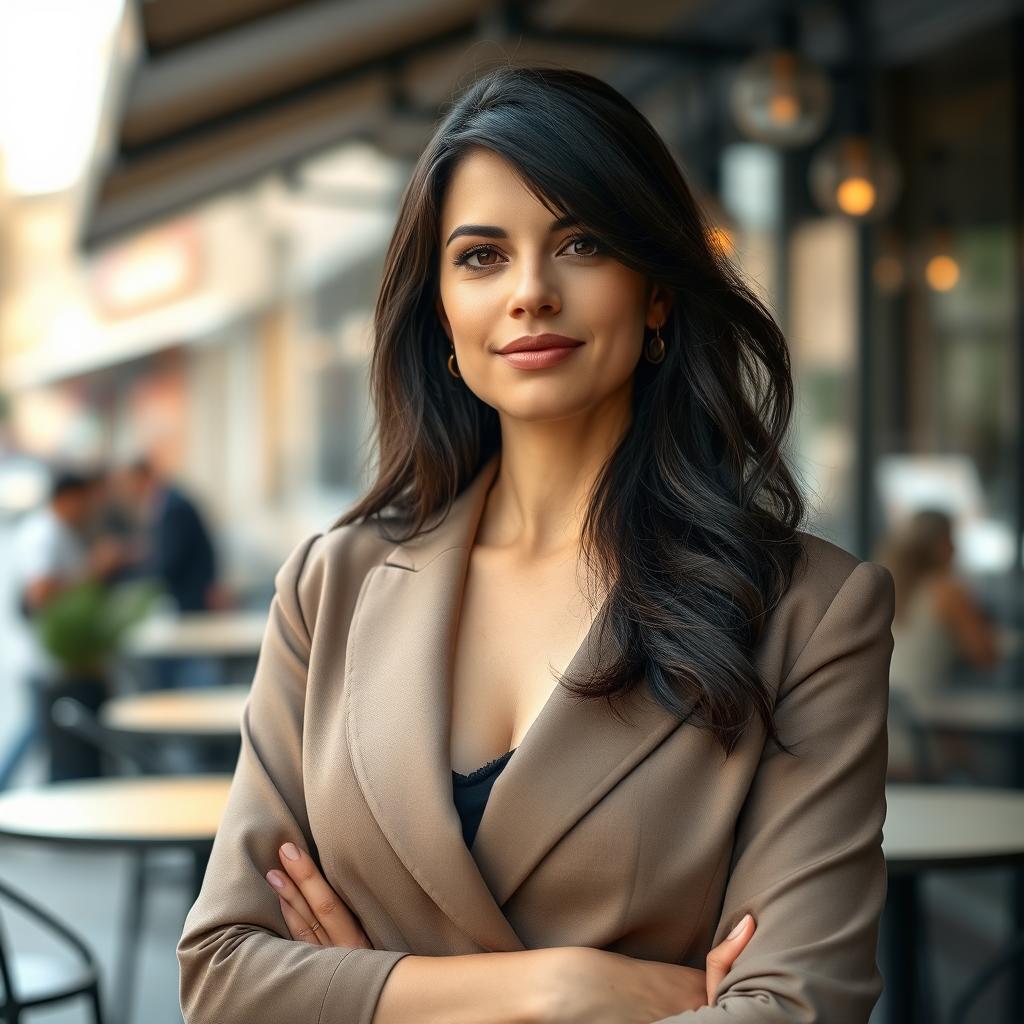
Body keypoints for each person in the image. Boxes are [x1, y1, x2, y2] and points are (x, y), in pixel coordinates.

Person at [177, 66, 896, 1023]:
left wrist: (370, 995)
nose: (530, 293)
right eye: (480, 257)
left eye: (583, 243)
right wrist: (564, 989)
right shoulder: (331, 585)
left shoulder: (809, 612)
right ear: (440, 309)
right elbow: (223, 977)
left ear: (656, 294)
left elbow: (798, 1009)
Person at [1, 469, 126, 786]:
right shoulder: (44, 533)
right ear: (69, 498)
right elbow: (40, 593)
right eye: (85, 501)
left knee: (42, 732)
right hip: (46, 656)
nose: (89, 509)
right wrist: (93, 571)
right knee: (46, 733)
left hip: (57, 657)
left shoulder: (61, 531)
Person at [876, 508, 1001, 779]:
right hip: (920, 736)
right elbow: (986, 656)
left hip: (878, 732)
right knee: (997, 760)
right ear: (942, 545)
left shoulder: (886, 587)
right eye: (953, 539)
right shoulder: (948, 591)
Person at [116, 456, 225, 689]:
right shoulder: (168, 502)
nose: (128, 491)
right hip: (189, 597)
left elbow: (168, 562)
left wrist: (126, 575)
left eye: (129, 483)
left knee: (190, 669)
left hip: (191, 600)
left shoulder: (172, 507)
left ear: (142, 478)